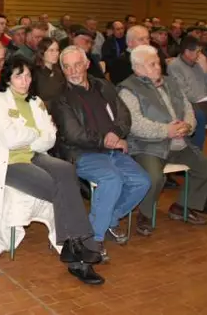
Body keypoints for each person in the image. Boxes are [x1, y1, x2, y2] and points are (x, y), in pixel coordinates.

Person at [0, 57, 104, 284]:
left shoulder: (35, 101)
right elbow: (9, 140)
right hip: (8, 163)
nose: (25, 81)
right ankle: (80, 254)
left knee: (67, 171)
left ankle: (73, 245)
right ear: (8, 78)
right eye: (19, 76)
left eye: (27, 76)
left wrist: (29, 136)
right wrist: (35, 133)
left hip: (35, 155)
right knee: (58, 187)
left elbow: (50, 139)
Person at [49, 46, 150, 257]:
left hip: (111, 149)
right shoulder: (61, 97)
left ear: (87, 64)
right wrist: (107, 142)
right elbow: (73, 134)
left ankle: (108, 218)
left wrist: (116, 132)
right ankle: (93, 238)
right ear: (62, 70)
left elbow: (124, 115)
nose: (73, 71)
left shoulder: (103, 86)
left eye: (77, 65)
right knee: (111, 179)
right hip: (81, 153)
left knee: (142, 181)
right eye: (67, 67)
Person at [118, 45, 207, 236]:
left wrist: (187, 126)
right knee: (154, 177)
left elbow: (188, 108)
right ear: (138, 68)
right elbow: (135, 124)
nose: (158, 67)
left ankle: (181, 206)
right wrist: (167, 131)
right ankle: (145, 214)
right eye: (152, 64)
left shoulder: (171, 83)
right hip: (147, 146)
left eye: (158, 62)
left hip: (179, 142)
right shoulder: (128, 90)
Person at [168, 36, 207, 156]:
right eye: (197, 51)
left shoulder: (199, 64)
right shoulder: (175, 66)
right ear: (187, 52)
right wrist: (203, 98)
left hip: (205, 102)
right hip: (189, 103)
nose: (200, 54)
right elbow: (183, 93)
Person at [33, 37, 65, 104]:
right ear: (42, 52)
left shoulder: (59, 71)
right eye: (51, 50)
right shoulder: (35, 73)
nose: (56, 54)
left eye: (57, 50)